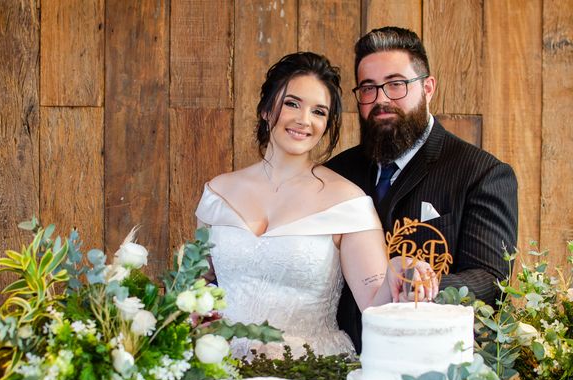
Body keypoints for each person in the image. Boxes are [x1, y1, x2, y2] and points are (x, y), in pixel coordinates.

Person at [195, 51, 438, 359]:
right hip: (220, 367)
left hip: (309, 371)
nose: (304, 120)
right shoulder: (217, 194)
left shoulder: (347, 203)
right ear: (266, 110)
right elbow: (196, 288)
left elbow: (375, 307)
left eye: (319, 112)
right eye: (292, 104)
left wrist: (398, 269)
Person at [327, 27, 519, 352]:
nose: (381, 99)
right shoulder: (336, 173)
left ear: (428, 88)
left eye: (396, 84)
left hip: (430, 367)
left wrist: (422, 287)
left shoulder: (483, 174)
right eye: (368, 88)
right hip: (341, 365)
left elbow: (490, 280)